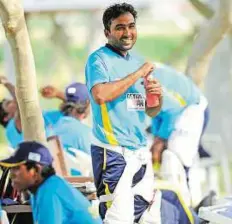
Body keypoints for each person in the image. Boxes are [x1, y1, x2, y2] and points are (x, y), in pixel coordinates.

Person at [85, 3, 163, 223]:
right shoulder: (98, 60)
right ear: (107, 32)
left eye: (131, 26)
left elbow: (150, 110)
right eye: (120, 27)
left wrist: (157, 95)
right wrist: (137, 74)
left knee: (148, 217)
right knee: (118, 219)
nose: (127, 32)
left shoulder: (137, 60)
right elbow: (100, 94)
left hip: (140, 152)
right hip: (113, 154)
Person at [150, 63, 209, 206]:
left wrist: (160, 140)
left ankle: (190, 209)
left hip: (190, 109)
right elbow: (156, 113)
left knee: (176, 156)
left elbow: (171, 110)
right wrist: (156, 136)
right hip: (177, 110)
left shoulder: (144, 81)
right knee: (166, 156)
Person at [0, 141, 102, 224]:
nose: (12, 175)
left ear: (36, 170)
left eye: (17, 168)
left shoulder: (49, 192)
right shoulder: (44, 189)